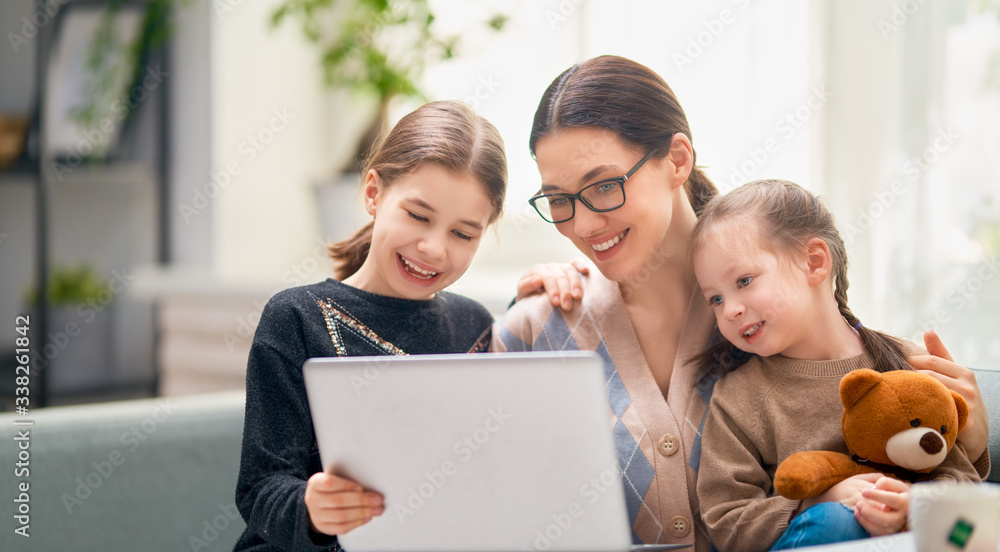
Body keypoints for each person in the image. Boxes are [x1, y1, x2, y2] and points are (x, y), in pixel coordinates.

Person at [495, 55, 991, 552]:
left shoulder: (767, 308)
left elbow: (887, 436)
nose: (582, 226)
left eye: (605, 186)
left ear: (678, 159)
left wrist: (969, 445)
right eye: (558, 199)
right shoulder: (533, 331)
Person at [234, 100, 508, 551]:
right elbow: (260, 489)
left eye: (463, 233)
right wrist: (313, 510)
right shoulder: (296, 318)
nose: (435, 248)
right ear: (373, 194)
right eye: (418, 216)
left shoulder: (474, 324)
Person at [690, 180, 982, 551]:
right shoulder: (738, 397)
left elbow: (964, 485)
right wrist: (816, 502)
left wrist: (913, 507)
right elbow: (726, 519)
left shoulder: (905, 363)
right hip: (812, 537)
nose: (729, 309)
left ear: (814, 262)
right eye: (715, 299)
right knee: (834, 523)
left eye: (744, 281)